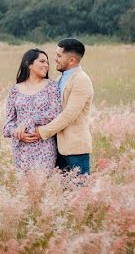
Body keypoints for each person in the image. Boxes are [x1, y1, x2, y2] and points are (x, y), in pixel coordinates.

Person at [21, 38, 94, 176]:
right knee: (62, 193)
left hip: (75, 149)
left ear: (72, 60)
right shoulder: (59, 80)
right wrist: (25, 125)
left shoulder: (81, 80)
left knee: (79, 193)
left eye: (59, 56)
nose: (54, 59)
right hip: (57, 148)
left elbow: (69, 115)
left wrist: (41, 132)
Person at [2, 48, 61, 170]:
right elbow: (7, 126)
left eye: (47, 62)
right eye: (42, 61)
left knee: (42, 184)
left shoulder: (51, 86)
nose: (46, 65)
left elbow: (55, 113)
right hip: (21, 149)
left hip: (44, 147)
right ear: (29, 64)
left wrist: (29, 121)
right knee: (25, 187)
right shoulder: (15, 90)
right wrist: (18, 133)